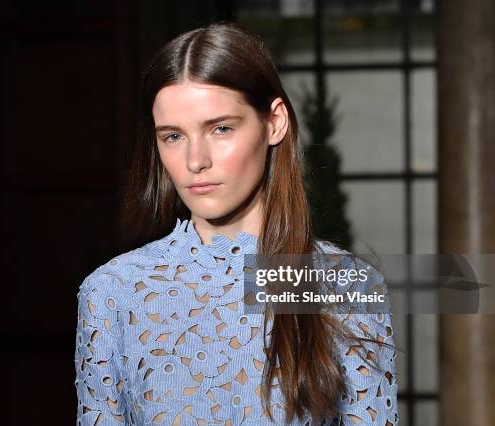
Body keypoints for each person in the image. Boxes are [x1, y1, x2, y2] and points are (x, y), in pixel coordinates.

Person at [74, 22, 398, 425]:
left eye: (221, 128)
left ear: (274, 122)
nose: (196, 160)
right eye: (173, 136)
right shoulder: (112, 293)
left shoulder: (346, 285)